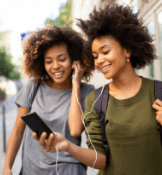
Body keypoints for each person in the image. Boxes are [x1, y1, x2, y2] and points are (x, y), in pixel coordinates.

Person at [32, 4, 162, 175]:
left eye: (105, 51)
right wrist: (68, 146)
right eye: (95, 56)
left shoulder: (160, 91)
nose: (100, 61)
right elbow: (100, 160)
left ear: (127, 50)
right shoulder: (96, 100)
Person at [3, 25, 95, 175]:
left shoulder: (86, 92)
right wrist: (7, 168)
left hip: (69, 170)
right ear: (41, 63)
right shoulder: (33, 87)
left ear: (74, 59)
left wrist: (76, 84)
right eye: (48, 61)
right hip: (32, 171)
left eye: (62, 59)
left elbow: (76, 129)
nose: (56, 66)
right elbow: (17, 132)